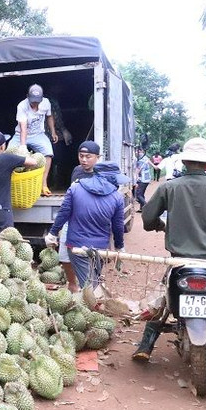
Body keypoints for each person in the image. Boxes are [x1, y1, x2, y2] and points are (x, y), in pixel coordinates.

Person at [133, 137, 206, 360]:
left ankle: (145, 346)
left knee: (163, 302)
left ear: (185, 162)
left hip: (180, 260)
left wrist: (159, 225)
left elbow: (147, 217)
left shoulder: (169, 187)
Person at [44, 152, 127, 290]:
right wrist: (119, 247)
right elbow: (118, 226)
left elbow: (63, 213)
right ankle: (93, 307)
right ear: (110, 179)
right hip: (100, 247)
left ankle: (93, 305)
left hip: (76, 246)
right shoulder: (117, 198)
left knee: (92, 282)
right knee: (92, 285)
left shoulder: (75, 188)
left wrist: (52, 233)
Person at [0, 131, 38, 234]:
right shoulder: (6, 159)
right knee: (6, 242)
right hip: (2, 209)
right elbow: (33, 162)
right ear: (2, 147)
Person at [58, 141, 99, 292]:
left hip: (91, 222)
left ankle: (93, 289)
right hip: (72, 219)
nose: (84, 160)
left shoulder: (101, 174)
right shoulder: (76, 171)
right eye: (81, 156)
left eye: (88, 156)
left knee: (91, 256)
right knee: (64, 255)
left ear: (97, 157)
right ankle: (72, 284)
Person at [8, 84, 57, 196]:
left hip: (38, 134)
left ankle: (43, 184)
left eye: (37, 101)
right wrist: (23, 147)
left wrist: (53, 131)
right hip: (20, 133)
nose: (35, 104)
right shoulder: (22, 106)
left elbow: (49, 116)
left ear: (42, 98)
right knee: (8, 154)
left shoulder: (46, 103)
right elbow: (23, 128)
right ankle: (9, 185)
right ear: (27, 97)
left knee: (48, 153)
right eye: (32, 101)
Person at [134, 147, 154, 212]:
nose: (135, 153)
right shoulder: (146, 158)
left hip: (142, 179)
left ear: (140, 151)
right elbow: (152, 165)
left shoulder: (140, 160)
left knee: (138, 195)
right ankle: (142, 209)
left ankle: (146, 206)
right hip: (147, 179)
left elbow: (137, 171)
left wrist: (135, 181)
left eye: (136, 151)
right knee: (142, 194)